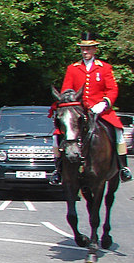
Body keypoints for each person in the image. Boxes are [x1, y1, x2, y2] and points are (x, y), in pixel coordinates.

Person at [53, 32, 131, 183]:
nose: (85, 52)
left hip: (101, 111)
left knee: (118, 132)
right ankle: (58, 169)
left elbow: (112, 89)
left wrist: (105, 103)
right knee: (56, 136)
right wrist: (70, 103)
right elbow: (66, 89)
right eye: (83, 49)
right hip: (78, 111)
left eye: (88, 49)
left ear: (95, 50)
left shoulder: (105, 68)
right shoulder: (72, 68)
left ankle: (123, 168)